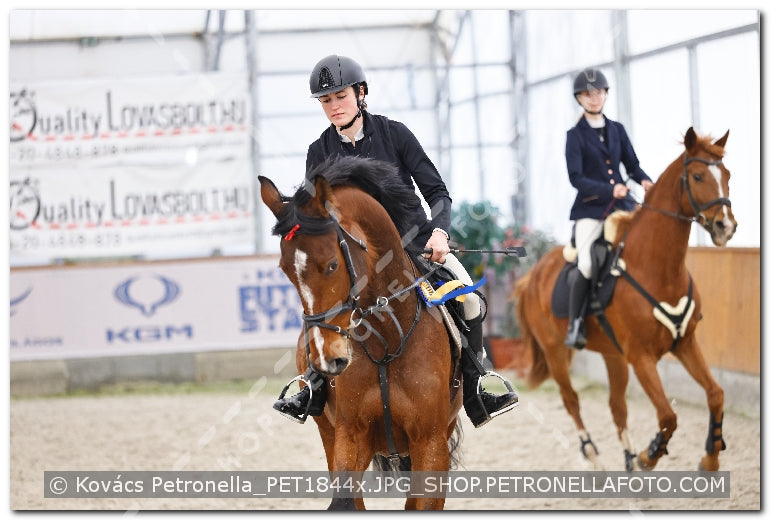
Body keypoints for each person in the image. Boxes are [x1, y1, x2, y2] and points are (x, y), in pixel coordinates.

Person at [273, 54, 519, 428]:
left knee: (469, 298)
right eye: (326, 100)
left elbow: (436, 191)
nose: (334, 106)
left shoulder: (395, 134)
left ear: (360, 93)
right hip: (355, 259)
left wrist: (440, 233)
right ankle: (315, 387)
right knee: (322, 306)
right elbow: (316, 216)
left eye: (340, 96)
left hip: (415, 246)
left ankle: (475, 387)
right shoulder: (318, 151)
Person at [564, 68, 654, 348]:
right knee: (587, 263)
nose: (594, 98)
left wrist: (646, 181)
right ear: (579, 98)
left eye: (599, 92)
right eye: (588, 94)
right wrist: (608, 189)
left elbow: (632, 165)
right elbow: (576, 178)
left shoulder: (617, 129)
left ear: (605, 95)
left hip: (623, 206)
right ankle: (576, 324)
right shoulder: (575, 135)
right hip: (590, 210)